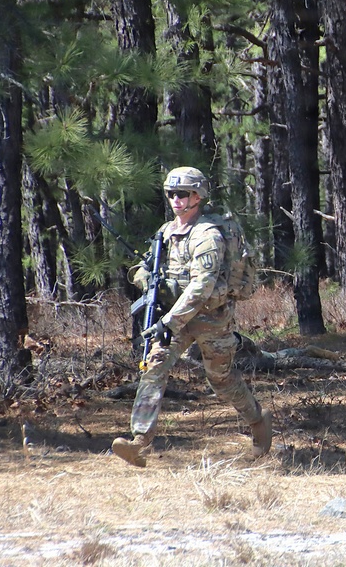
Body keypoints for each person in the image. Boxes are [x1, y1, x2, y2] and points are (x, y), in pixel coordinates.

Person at [112, 166, 272, 467]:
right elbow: (148, 266)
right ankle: (139, 442)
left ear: (198, 196)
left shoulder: (207, 235)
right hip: (174, 317)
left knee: (220, 379)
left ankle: (258, 421)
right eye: (171, 193)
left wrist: (170, 321)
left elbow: (202, 287)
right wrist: (145, 277)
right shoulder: (166, 232)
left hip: (211, 317)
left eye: (182, 194)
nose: (175, 199)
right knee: (154, 366)